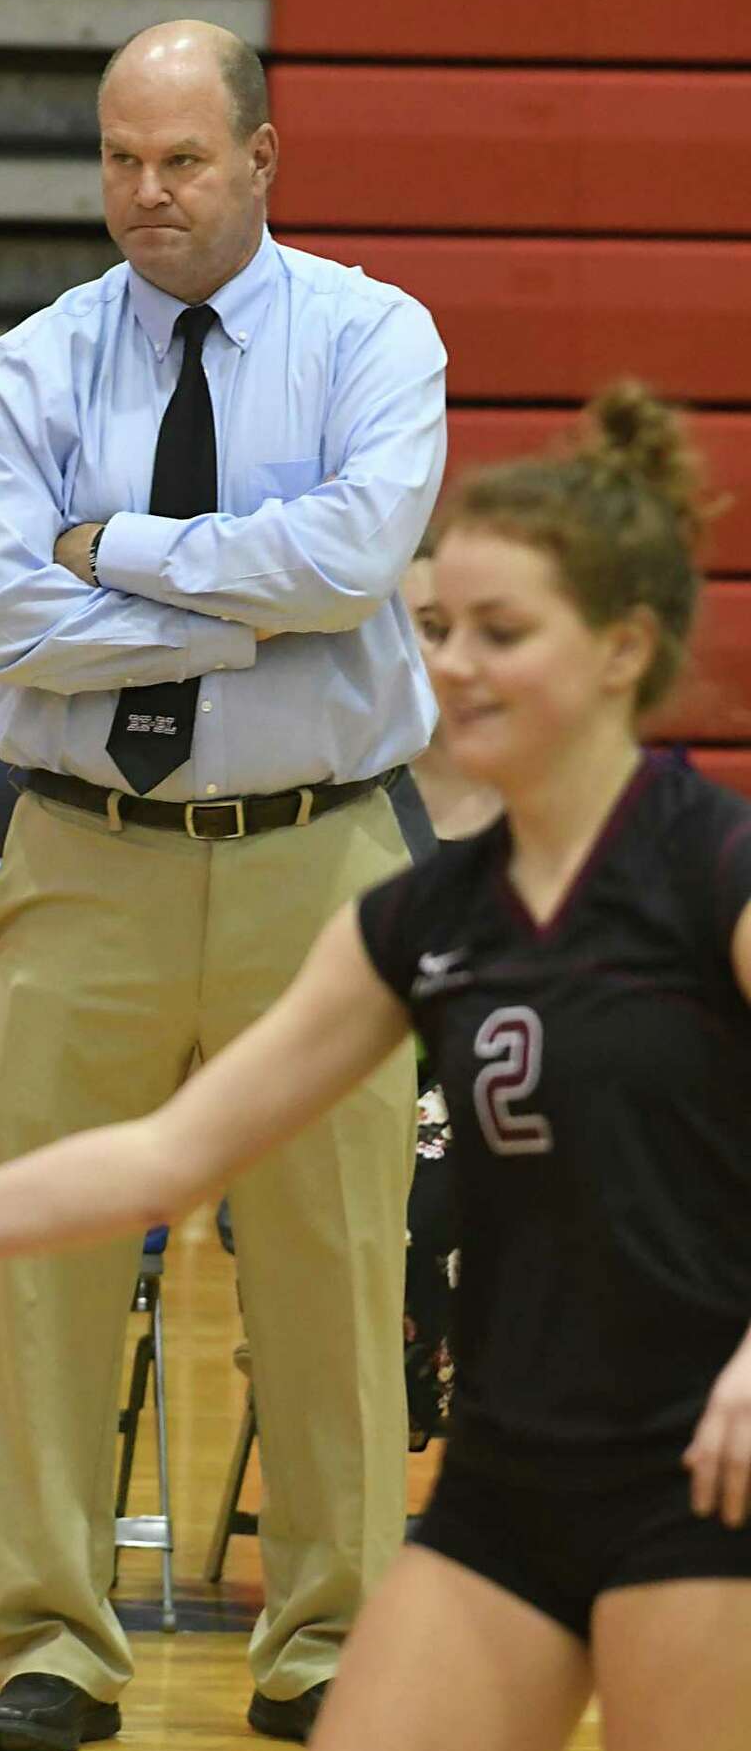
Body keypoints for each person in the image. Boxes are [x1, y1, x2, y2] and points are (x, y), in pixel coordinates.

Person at [0, 380, 751, 1751]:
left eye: (504, 633)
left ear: (624, 651)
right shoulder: (423, 916)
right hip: (505, 1502)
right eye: (439, 630)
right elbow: (162, 1159)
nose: (455, 670)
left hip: (700, 1497)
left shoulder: (711, 871)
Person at [0, 17, 447, 1751]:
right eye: (117, 158)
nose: (145, 194)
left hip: (322, 852)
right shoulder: (32, 365)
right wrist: (245, 596)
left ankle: (326, 1639)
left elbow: (357, 555)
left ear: (262, 159)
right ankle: (55, 1641)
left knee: (330, 1259)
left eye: (180, 159)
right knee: (48, 1253)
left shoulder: (375, 338)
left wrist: (119, 552)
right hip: (84, 855)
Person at [398, 541, 501, 1441]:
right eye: (423, 629)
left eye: (483, 630)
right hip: (374, 1092)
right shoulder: (329, 804)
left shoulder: (568, 806)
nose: (451, 659)